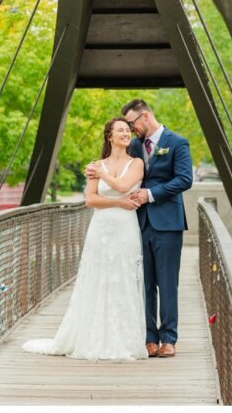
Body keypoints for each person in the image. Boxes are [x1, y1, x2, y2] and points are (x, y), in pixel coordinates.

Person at [21, 118, 148, 360]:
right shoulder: (95, 166)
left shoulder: (137, 164)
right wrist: (116, 202)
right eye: (119, 130)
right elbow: (91, 200)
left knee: (122, 278)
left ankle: (122, 340)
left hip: (125, 229)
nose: (125, 133)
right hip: (100, 228)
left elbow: (123, 186)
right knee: (97, 277)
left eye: (127, 130)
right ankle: (91, 337)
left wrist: (103, 175)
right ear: (109, 136)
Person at [88, 99, 192, 358]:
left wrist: (151, 194)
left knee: (168, 282)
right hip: (136, 222)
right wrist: (94, 169)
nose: (131, 130)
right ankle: (148, 337)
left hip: (167, 222)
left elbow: (184, 179)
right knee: (143, 282)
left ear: (145, 117)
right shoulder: (133, 145)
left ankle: (169, 338)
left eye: (133, 124)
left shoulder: (177, 143)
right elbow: (116, 167)